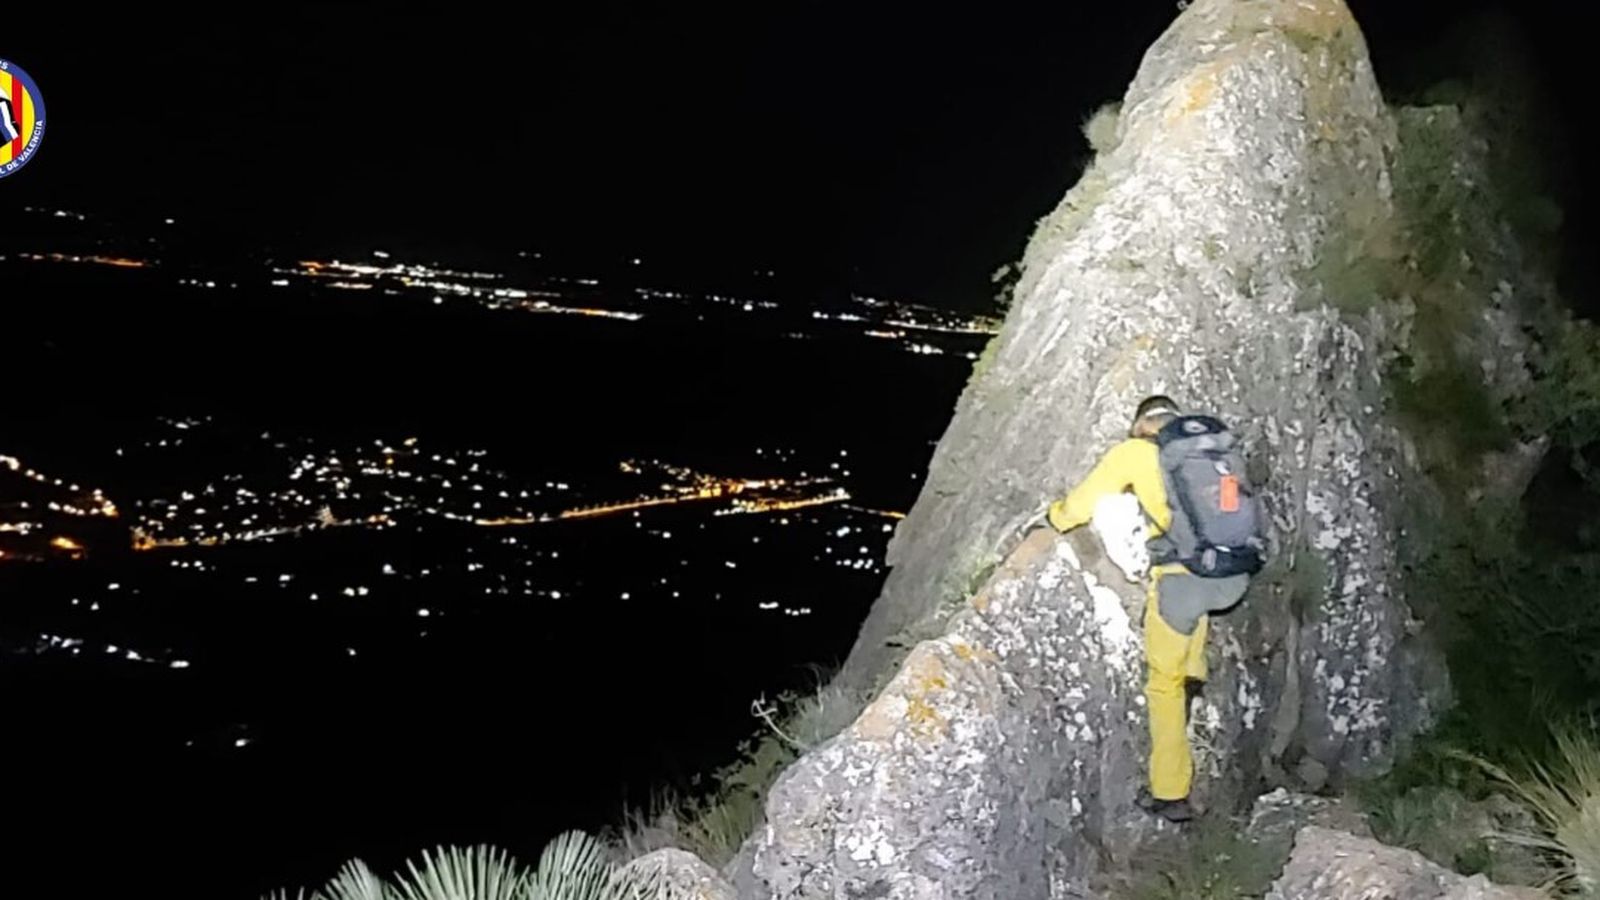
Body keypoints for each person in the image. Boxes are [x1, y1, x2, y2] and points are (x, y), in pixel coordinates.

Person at [1046, 395, 1258, 823]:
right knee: (1193, 601)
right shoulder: (1214, 451)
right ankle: (1194, 673)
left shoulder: (1135, 452)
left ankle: (1170, 791)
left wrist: (1054, 519)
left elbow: (1082, 503)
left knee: (1163, 683)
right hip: (1234, 574)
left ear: (1141, 424)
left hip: (1187, 585)